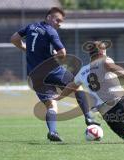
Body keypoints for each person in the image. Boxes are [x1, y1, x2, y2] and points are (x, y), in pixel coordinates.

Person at [54, 40, 124, 144]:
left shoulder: (82, 71)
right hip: (119, 102)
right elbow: (111, 66)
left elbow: (71, 86)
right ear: (101, 52)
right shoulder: (104, 60)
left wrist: (58, 97)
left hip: (107, 114)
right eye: (105, 51)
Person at [10, 7, 98, 142]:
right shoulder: (51, 32)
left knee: (51, 105)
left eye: (61, 21)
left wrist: (25, 49)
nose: (59, 23)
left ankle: (52, 132)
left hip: (35, 76)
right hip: (53, 71)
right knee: (77, 86)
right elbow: (62, 53)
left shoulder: (31, 26)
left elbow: (14, 38)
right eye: (57, 20)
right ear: (49, 17)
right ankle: (88, 117)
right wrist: (55, 57)